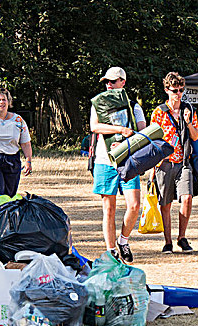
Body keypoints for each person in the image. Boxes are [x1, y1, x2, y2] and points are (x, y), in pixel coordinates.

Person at [90, 67, 146, 263]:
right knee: (109, 208)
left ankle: (123, 240)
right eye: (106, 81)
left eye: (113, 81)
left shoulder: (133, 106)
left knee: (134, 205)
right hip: (105, 161)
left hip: (128, 161)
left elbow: (143, 133)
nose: (109, 85)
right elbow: (94, 126)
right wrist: (120, 130)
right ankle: (111, 250)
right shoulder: (98, 104)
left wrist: (125, 143)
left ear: (123, 82)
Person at [150, 72, 198, 254]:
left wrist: (187, 122)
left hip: (183, 161)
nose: (178, 94)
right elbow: (151, 138)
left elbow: (195, 136)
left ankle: (182, 238)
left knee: (186, 198)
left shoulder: (189, 110)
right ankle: (167, 241)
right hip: (163, 163)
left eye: (181, 90)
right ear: (166, 90)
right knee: (165, 204)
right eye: (174, 90)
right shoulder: (159, 112)